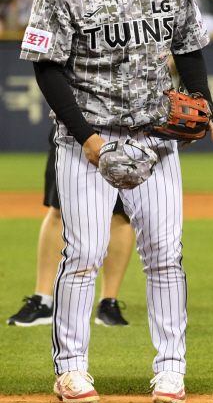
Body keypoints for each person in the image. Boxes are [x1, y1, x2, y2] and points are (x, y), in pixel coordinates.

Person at [20, 0, 213, 403]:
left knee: (165, 256)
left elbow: (190, 49)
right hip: (88, 139)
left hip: (155, 138)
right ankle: (71, 370)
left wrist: (202, 103)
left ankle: (171, 369)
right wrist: (88, 139)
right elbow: (47, 68)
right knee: (83, 253)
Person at [7, 124, 134, 327]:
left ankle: (108, 302)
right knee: (58, 210)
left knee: (120, 214)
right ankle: (43, 301)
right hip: (73, 130)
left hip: (125, 131)